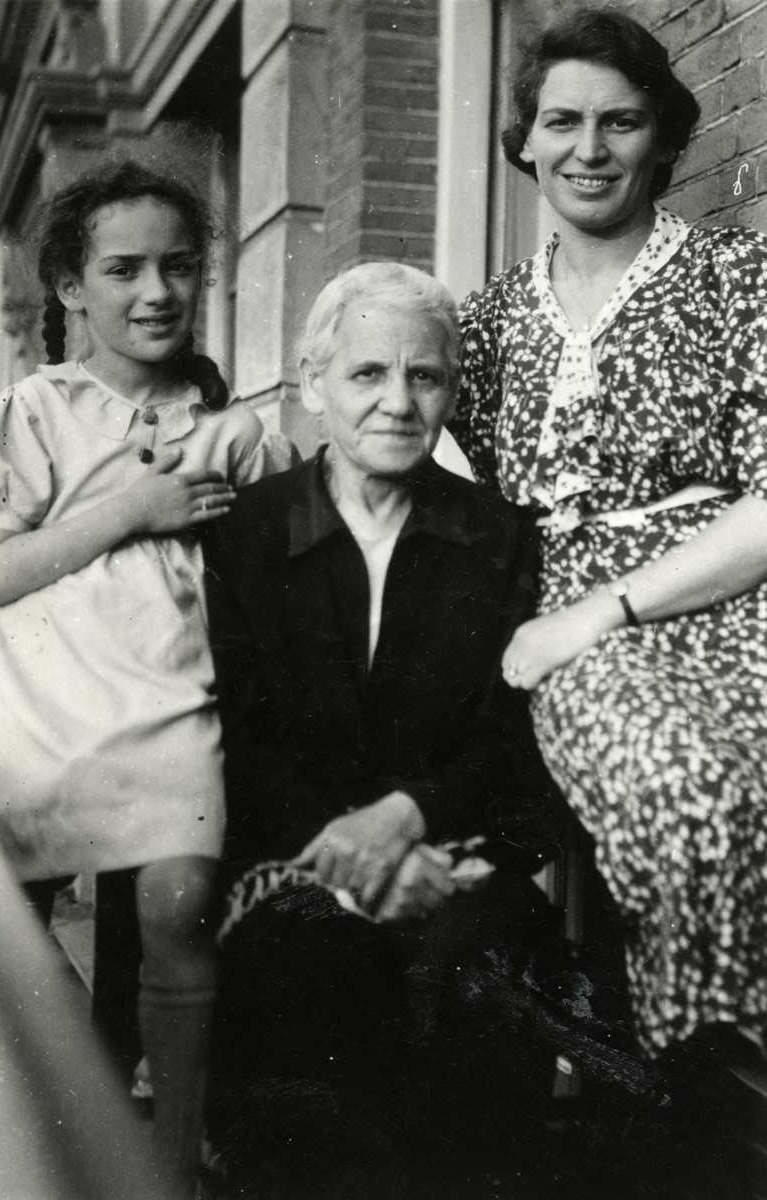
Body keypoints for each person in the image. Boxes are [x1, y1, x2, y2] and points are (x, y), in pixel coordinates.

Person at [203, 262, 558, 1199]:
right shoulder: (246, 531)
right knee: (307, 976)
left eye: (425, 376)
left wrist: (406, 822)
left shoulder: (502, 536)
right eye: (367, 374)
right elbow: (241, 735)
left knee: (485, 983)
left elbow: (511, 738)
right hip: (292, 864)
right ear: (313, 384)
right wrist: (357, 857)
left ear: (451, 391)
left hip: (459, 860)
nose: (397, 403)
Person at [453, 7, 767, 1061]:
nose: (588, 151)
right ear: (525, 143)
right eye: (562, 123)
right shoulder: (487, 323)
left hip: (722, 590)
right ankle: (704, 1073)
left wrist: (614, 603)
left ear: (665, 139)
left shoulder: (735, 281)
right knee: (688, 787)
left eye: (619, 123)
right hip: (556, 620)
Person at [0, 160, 291, 1199]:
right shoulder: (35, 411)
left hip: (171, 700)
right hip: (37, 704)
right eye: (123, 269)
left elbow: (285, 582)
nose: (155, 291)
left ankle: (164, 1172)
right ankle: (30, 1156)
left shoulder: (237, 431)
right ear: (73, 288)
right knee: (11, 946)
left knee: (173, 904)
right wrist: (126, 512)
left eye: (177, 266)